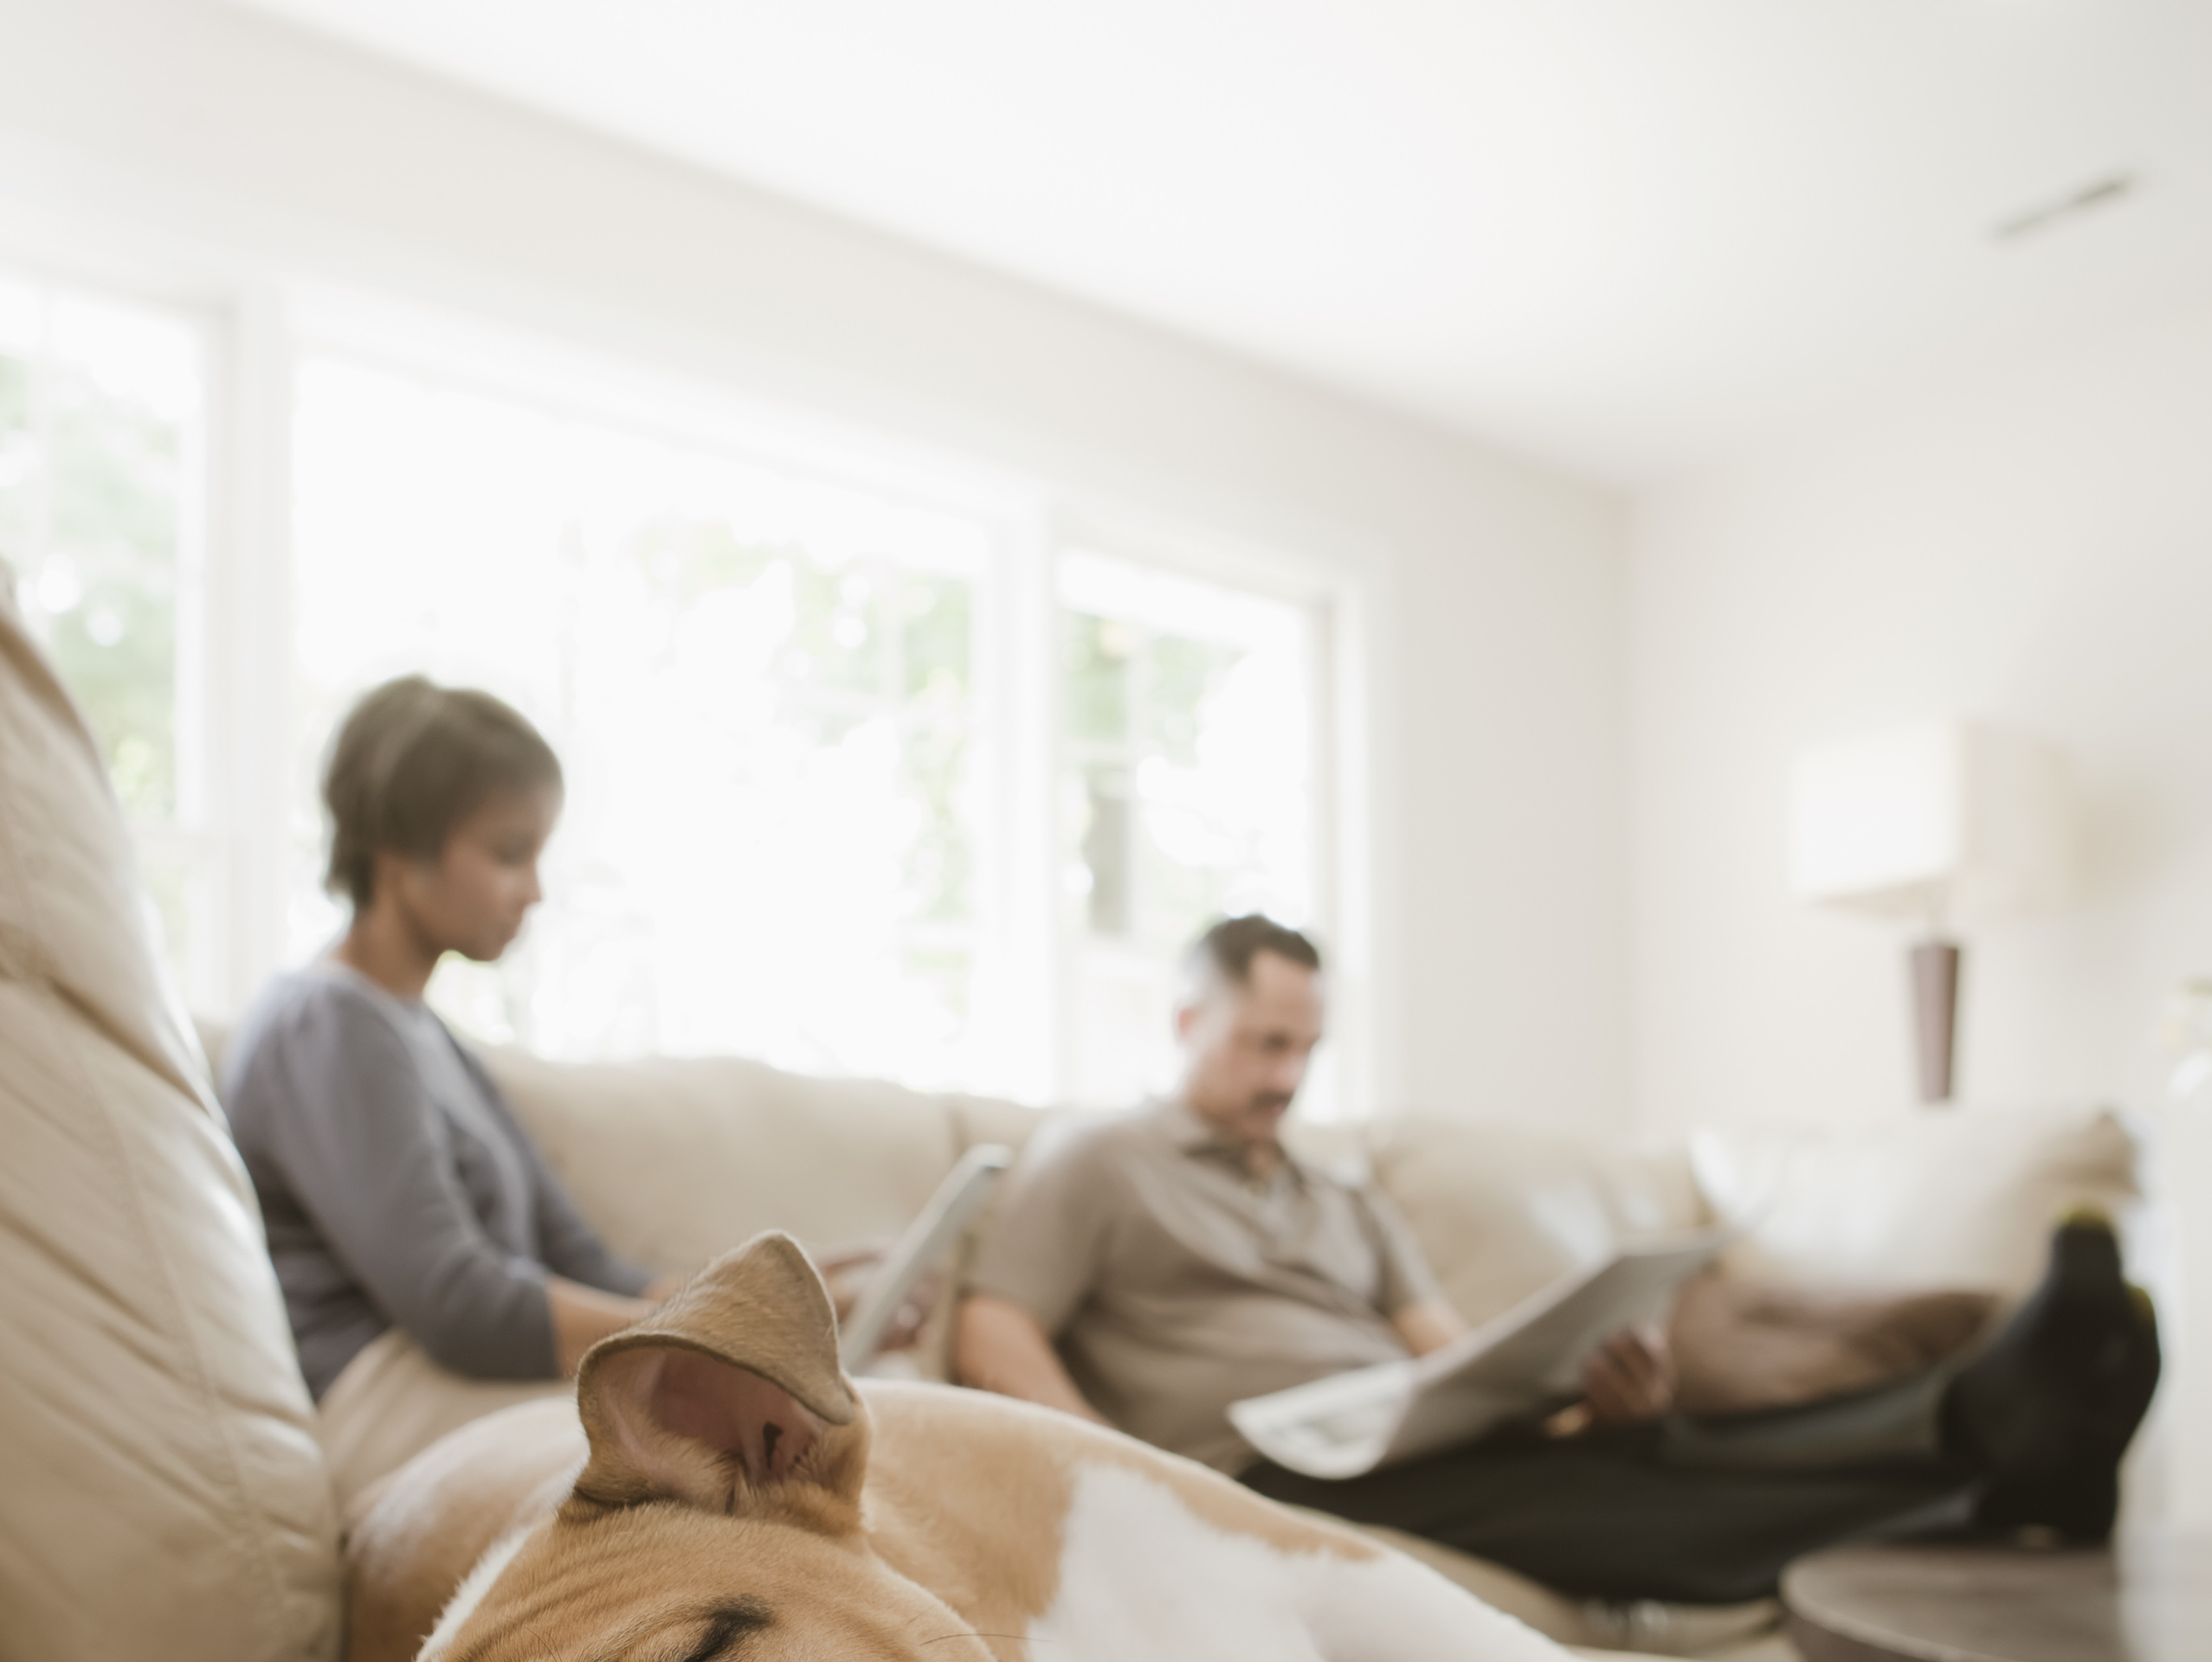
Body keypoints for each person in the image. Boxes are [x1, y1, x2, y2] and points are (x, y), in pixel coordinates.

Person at [955, 915, 2160, 1606]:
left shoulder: (1340, 1187)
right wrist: (1119, 1477)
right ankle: (2002, 1462)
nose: (1286, 1075)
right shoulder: (1099, 1160)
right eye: (1263, 1042)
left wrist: (1564, 1399)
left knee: (1663, 1441)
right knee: (1642, 1503)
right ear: (1183, 1024)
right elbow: (995, 1326)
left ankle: (1992, 1426)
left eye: (1306, 1048)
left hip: (1404, 1434)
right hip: (1262, 1466)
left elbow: (1443, 1354)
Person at [222, 678, 681, 1513]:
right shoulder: (327, 1024)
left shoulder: (432, 1042)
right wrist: (694, 1348)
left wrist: (761, 1307)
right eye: (509, 854)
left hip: (456, 1386)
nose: (534, 890)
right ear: (398, 853)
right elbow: (453, 1301)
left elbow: (582, 1261)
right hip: (383, 1395)